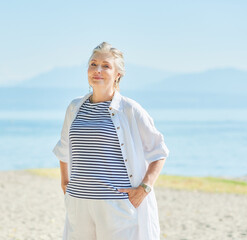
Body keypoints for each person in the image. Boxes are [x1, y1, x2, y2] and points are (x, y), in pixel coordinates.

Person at [52, 41, 170, 240]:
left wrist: (144, 188)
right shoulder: (74, 107)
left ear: (118, 74)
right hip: (78, 202)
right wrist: (65, 183)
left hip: (116, 205)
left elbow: (159, 151)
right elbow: (64, 149)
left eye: (105, 66)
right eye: (93, 64)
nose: (97, 70)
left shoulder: (130, 109)